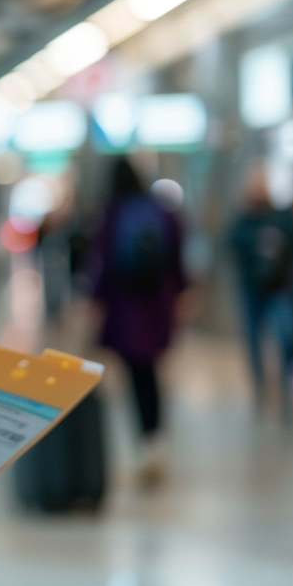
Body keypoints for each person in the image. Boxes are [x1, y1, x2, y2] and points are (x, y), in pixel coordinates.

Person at [88, 159, 185, 486]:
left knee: (135, 377)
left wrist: (93, 302)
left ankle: (145, 444)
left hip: (126, 309)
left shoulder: (112, 214)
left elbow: (100, 264)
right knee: (152, 374)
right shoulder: (162, 211)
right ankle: (156, 441)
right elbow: (177, 259)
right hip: (157, 307)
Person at [229, 166, 293, 416]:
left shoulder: (281, 216)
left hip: (279, 289)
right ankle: (260, 388)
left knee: (286, 338)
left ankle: (286, 389)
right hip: (252, 290)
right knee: (253, 342)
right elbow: (231, 248)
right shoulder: (242, 219)